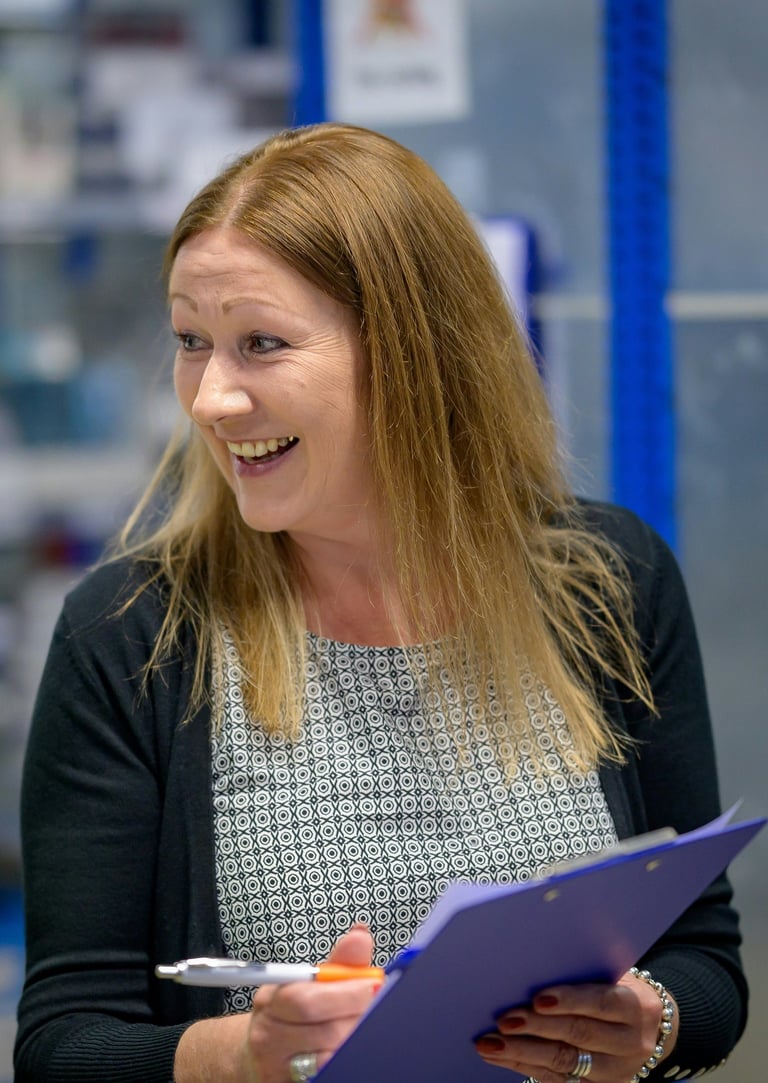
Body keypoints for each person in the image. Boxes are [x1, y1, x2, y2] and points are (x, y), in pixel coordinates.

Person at [14, 122, 746, 1083]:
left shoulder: (608, 581)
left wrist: (650, 1019)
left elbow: (705, 958)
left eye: (261, 344)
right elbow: (65, 1043)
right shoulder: (135, 636)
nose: (210, 399)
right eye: (194, 341)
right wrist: (246, 1053)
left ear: (415, 352)